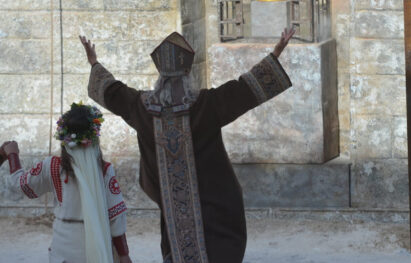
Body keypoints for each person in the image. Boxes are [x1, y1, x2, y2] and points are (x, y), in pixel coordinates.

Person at [80, 27, 295, 263]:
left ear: (160, 74)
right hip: (214, 209)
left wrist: (94, 62)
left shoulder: (141, 107)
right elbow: (244, 89)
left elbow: (111, 91)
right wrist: (277, 52)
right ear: (188, 72)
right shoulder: (206, 105)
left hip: (173, 211)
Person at [2, 102, 132, 263]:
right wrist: (124, 254)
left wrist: (13, 155)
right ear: (94, 138)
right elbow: (116, 218)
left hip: (62, 253)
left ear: (64, 138)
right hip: (98, 250)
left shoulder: (52, 166)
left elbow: (20, 185)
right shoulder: (105, 170)